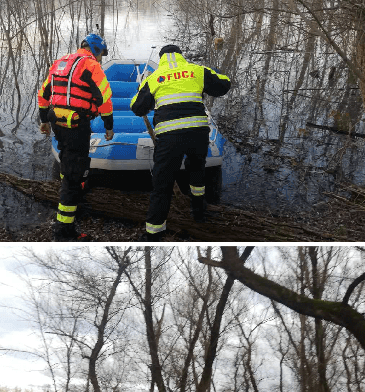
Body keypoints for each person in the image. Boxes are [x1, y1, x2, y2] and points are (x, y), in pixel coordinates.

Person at [130, 44, 232, 241]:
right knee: (197, 172)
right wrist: (216, 71)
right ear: (180, 56)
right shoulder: (196, 70)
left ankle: (154, 233)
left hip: (169, 137)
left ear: (161, 59)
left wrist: (140, 91)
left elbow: (137, 107)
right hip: (198, 133)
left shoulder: (154, 78)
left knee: (162, 183)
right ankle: (199, 212)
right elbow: (224, 85)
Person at [37, 33, 115, 242]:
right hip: (77, 125)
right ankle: (64, 229)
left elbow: (44, 94)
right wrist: (109, 126)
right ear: (96, 50)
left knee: (67, 158)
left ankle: (72, 182)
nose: (101, 59)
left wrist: (44, 120)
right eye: (101, 54)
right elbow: (105, 99)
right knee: (73, 174)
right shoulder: (91, 66)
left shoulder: (60, 63)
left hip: (57, 121)